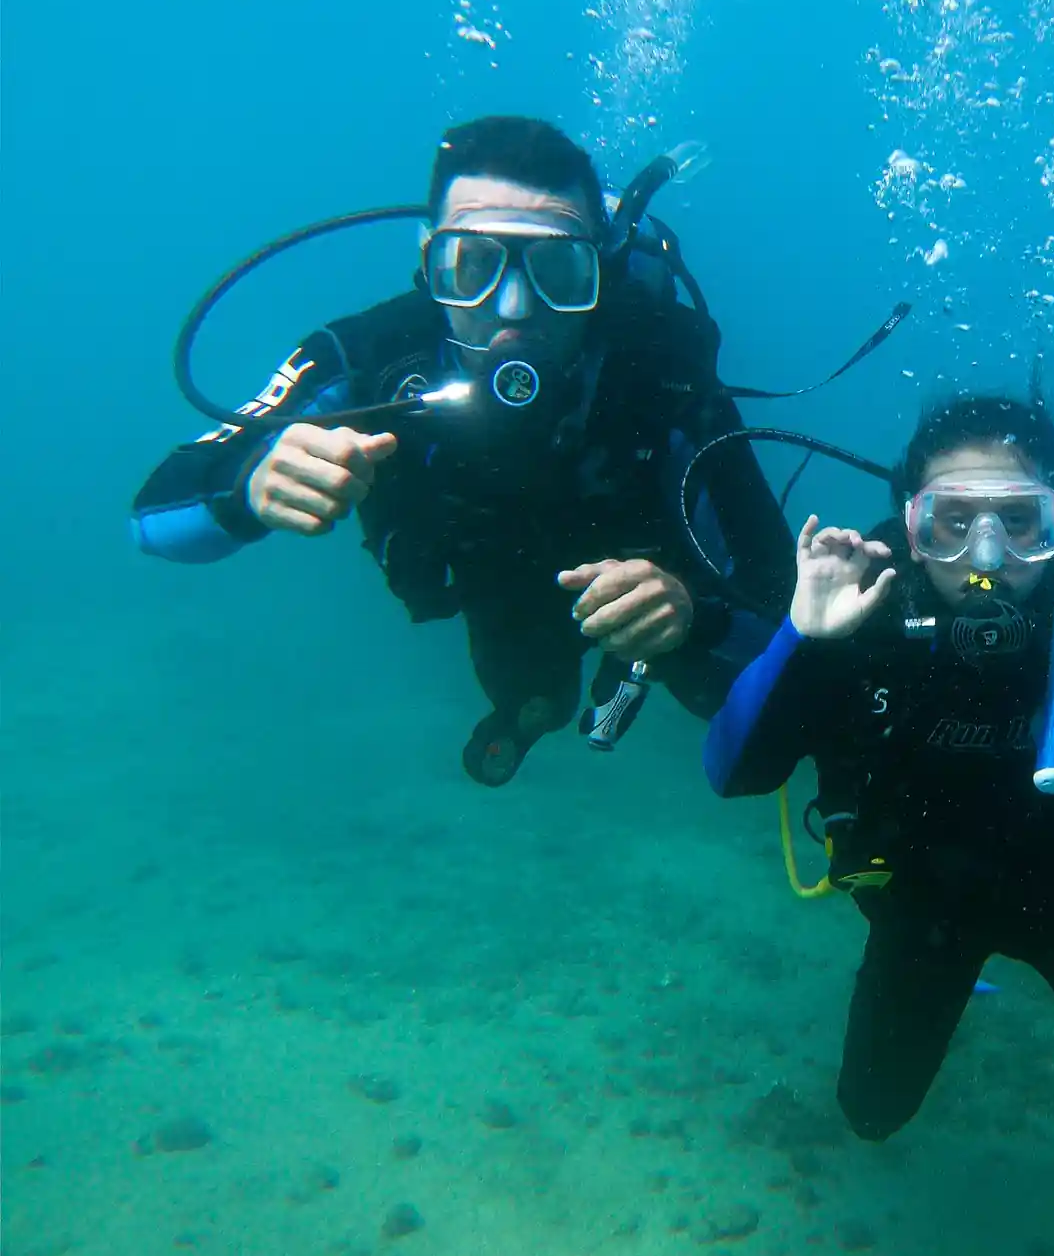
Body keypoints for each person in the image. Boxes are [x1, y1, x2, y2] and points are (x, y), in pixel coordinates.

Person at [133, 115, 794, 784]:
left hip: (653, 586)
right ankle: (537, 711)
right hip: (495, 576)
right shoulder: (374, 356)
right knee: (530, 691)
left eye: (559, 271)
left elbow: (780, 602)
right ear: (429, 261)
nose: (512, 308)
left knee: (720, 692)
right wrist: (247, 489)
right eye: (473, 265)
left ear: (605, 264)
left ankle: (638, 658)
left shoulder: (662, 364)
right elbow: (156, 517)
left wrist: (693, 612)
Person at [703, 394, 1054, 1138]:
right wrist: (802, 638)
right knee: (870, 1112)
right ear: (912, 529)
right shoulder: (864, 612)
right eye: (952, 522)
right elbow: (732, 771)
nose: (985, 557)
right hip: (926, 913)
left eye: (1018, 522)